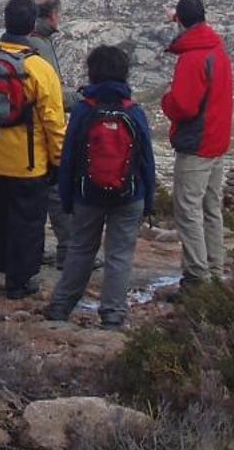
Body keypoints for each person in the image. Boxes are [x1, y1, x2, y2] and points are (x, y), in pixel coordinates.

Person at [0, 0, 68, 299]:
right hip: (30, 160)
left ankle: (3, 261)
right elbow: (53, 121)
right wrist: (59, 159)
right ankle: (20, 281)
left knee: (3, 210)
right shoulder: (39, 68)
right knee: (29, 219)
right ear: (32, 24)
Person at [47, 45, 157, 330]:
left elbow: (68, 156)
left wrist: (67, 198)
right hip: (129, 194)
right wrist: (148, 201)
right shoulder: (134, 112)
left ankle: (60, 307)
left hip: (87, 194)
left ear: (92, 73)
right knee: (119, 254)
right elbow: (146, 159)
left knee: (81, 249)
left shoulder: (84, 110)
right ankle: (112, 315)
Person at [160, 0, 234, 289]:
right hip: (217, 140)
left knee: (188, 210)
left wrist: (166, 101)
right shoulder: (217, 48)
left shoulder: (193, 57)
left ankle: (196, 277)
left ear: (179, 21)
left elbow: (184, 106)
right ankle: (215, 270)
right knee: (210, 208)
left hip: (197, 144)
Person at [31, 0, 76, 279]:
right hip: (44, 132)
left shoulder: (24, 40)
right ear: (53, 15)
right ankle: (68, 252)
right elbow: (53, 96)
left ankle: (33, 250)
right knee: (56, 192)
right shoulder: (42, 46)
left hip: (22, 135)